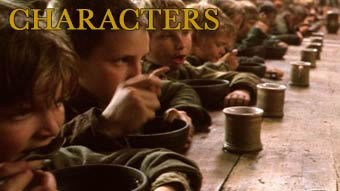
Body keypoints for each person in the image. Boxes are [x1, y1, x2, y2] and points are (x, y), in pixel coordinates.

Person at [0, 8, 202, 190]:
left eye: (57, 103)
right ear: (74, 59)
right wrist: (105, 123)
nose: (53, 128)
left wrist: (184, 110)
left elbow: (162, 161)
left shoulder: (38, 160)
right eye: (22, 113)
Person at [54, 0, 210, 151]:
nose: (137, 74)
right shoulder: (48, 109)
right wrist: (105, 125)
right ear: (71, 61)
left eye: (142, 59)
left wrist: (181, 112)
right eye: (122, 60)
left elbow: (178, 90)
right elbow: (45, 157)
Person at [142, 0, 262, 108]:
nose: (181, 44)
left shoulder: (185, 70)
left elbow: (242, 76)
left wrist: (242, 89)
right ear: (143, 39)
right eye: (167, 35)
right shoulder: (142, 76)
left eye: (185, 32)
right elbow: (181, 92)